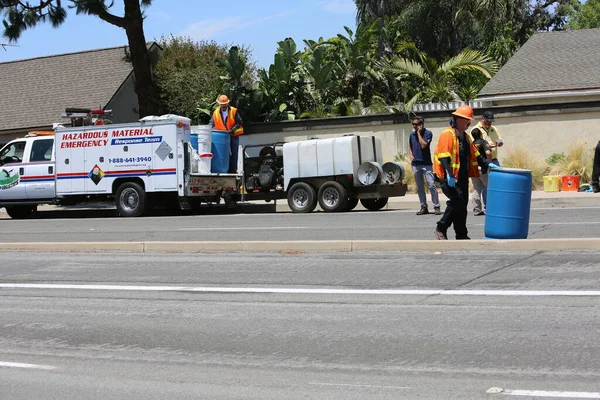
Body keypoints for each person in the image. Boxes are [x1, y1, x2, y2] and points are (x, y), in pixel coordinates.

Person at [433, 105, 497, 240]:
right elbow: (443, 156)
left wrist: (488, 164)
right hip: (448, 176)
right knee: (456, 202)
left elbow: (476, 156)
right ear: (458, 119)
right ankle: (441, 228)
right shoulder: (447, 134)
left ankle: (461, 234)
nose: (469, 123)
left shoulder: (466, 138)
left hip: (461, 176)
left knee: (462, 206)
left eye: (470, 120)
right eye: (467, 120)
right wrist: (449, 174)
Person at [408, 116, 441, 215]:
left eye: (417, 124)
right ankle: (423, 206)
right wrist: (410, 154)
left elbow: (423, 145)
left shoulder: (428, 134)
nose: (415, 126)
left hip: (426, 163)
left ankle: (436, 206)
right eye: (413, 124)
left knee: (431, 185)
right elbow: (410, 145)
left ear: (421, 125)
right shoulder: (411, 135)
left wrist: (418, 133)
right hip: (416, 164)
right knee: (420, 186)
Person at [210, 94, 244, 173]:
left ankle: (233, 170)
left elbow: (239, 122)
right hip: (222, 137)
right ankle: (226, 169)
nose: (224, 106)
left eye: (225, 105)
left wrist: (232, 130)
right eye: (222, 105)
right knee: (224, 153)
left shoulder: (233, 111)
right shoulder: (215, 113)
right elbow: (211, 124)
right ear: (219, 104)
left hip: (233, 135)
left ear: (227, 103)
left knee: (234, 153)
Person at [469, 128, 493, 216]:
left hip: (474, 169)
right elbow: (488, 153)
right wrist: (489, 163)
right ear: (480, 134)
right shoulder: (484, 142)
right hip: (483, 169)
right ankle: (492, 208)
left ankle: (477, 210)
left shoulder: (471, 144)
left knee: (476, 189)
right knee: (490, 188)